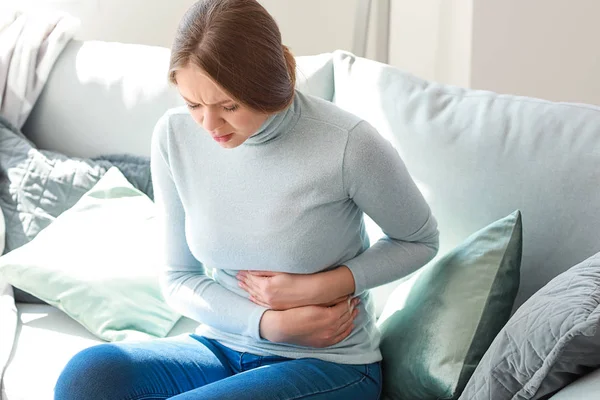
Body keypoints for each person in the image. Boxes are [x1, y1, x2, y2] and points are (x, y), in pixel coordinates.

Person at [54, 0, 439, 399]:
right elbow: (178, 278)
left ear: (268, 83)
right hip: (222, 344)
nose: (208, 124)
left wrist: (320, 288)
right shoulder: (174, 136)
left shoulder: (348, 143)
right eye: (193, 104)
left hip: (329, 363)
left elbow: (420, 239)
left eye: (229, 106)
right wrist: (269, 323)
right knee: (88, 376)